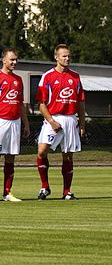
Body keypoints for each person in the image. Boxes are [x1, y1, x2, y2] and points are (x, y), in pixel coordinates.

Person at [35, 44, 85, 200]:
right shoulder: (48, 76)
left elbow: (81, 103)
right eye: (64, 56)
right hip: (54, 118)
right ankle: (45, 187)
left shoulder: (75, 76)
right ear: (56, 57)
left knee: (68, 156)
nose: (67, 58)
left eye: (69, 56)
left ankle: (66, 192)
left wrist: (82, 124)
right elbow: (41, 104)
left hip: (70, 119)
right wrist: (51, 121)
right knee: (42, 151)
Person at [0, 48, 30, 203]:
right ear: (4, 60)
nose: (14, 62)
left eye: (16, 59)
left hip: (15, 122)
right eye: (12, 60)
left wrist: (26, 123)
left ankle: (7, 192)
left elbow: (21, 104)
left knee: (10, 158)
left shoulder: (18, 79)